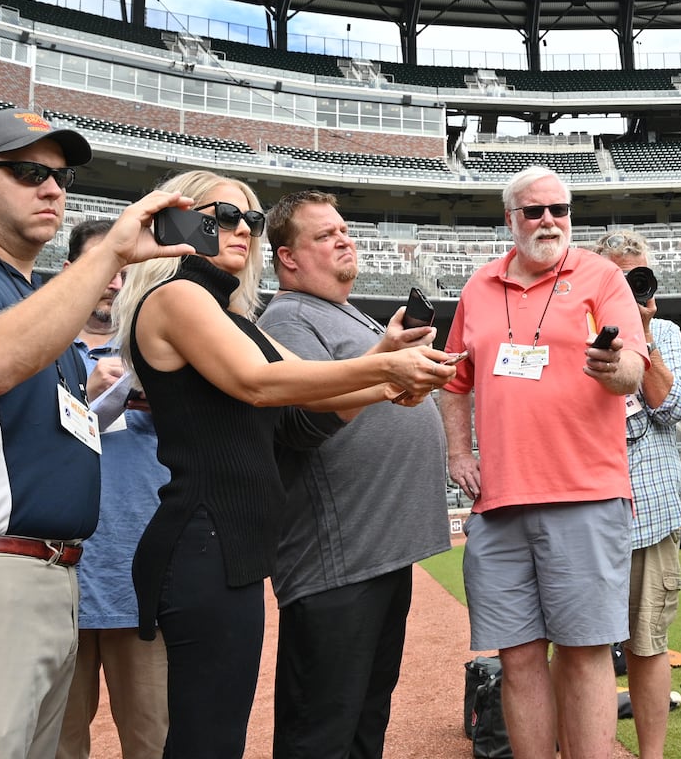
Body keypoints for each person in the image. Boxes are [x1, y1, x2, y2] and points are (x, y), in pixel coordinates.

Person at [111, 169, 456, 759]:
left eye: (249, 217)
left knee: (219, 735)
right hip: (204, 540)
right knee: (208, 740)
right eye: (223, 216)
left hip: (232, 544)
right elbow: (260, 383)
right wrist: (384, 372)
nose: (242, 229)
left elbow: (302, 414)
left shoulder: (230, 314)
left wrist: (385, 375)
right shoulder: (177, 294)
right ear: (177, 219)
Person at [0, 109, 192, 759]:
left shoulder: (35, 299)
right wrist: (112, 254)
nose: (53, 189)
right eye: (29, 171)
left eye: (61, 177)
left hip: (49, 575)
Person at [439, 166, 647, 759]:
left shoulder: (602, 276)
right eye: (534, 211)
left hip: (584, 493)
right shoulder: (478, 287)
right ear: (511, 219)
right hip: (499, 501)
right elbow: (454, 381)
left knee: (584, 652)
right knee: (518, 656)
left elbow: (632, 365)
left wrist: (615, 368)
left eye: (559, 209)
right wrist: (459, 450)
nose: (549, 220)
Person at [257, 190, 454, 759]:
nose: (344, 239)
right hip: (335, 562)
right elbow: (300, 419)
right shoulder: (289, 316)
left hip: (376, 553)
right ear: (288, 258)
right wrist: (384, 360)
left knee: (366, 717)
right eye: (325, 235)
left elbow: (361, 387)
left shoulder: (345, 312)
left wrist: (391, 356)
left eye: (344, 230)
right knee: (322, 728)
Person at [57, 220, 170, 759]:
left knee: (154, 741)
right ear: (69, 273)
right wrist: (86, 392)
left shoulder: (161, 351)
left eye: (124, 270)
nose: (112, 281)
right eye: (100, 266)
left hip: (138, 578)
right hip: (59, 580)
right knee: (55, 743)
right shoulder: (39, 351)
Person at [591, 229, 681, 759]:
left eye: (640, 277)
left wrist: (644, 333)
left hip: (648, 511)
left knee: (648, 646)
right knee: (580, 645)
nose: (632, 288)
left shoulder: (668, 332)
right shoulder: (577, 326)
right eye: (621, 278)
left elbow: (673, 409)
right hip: (584, 506)